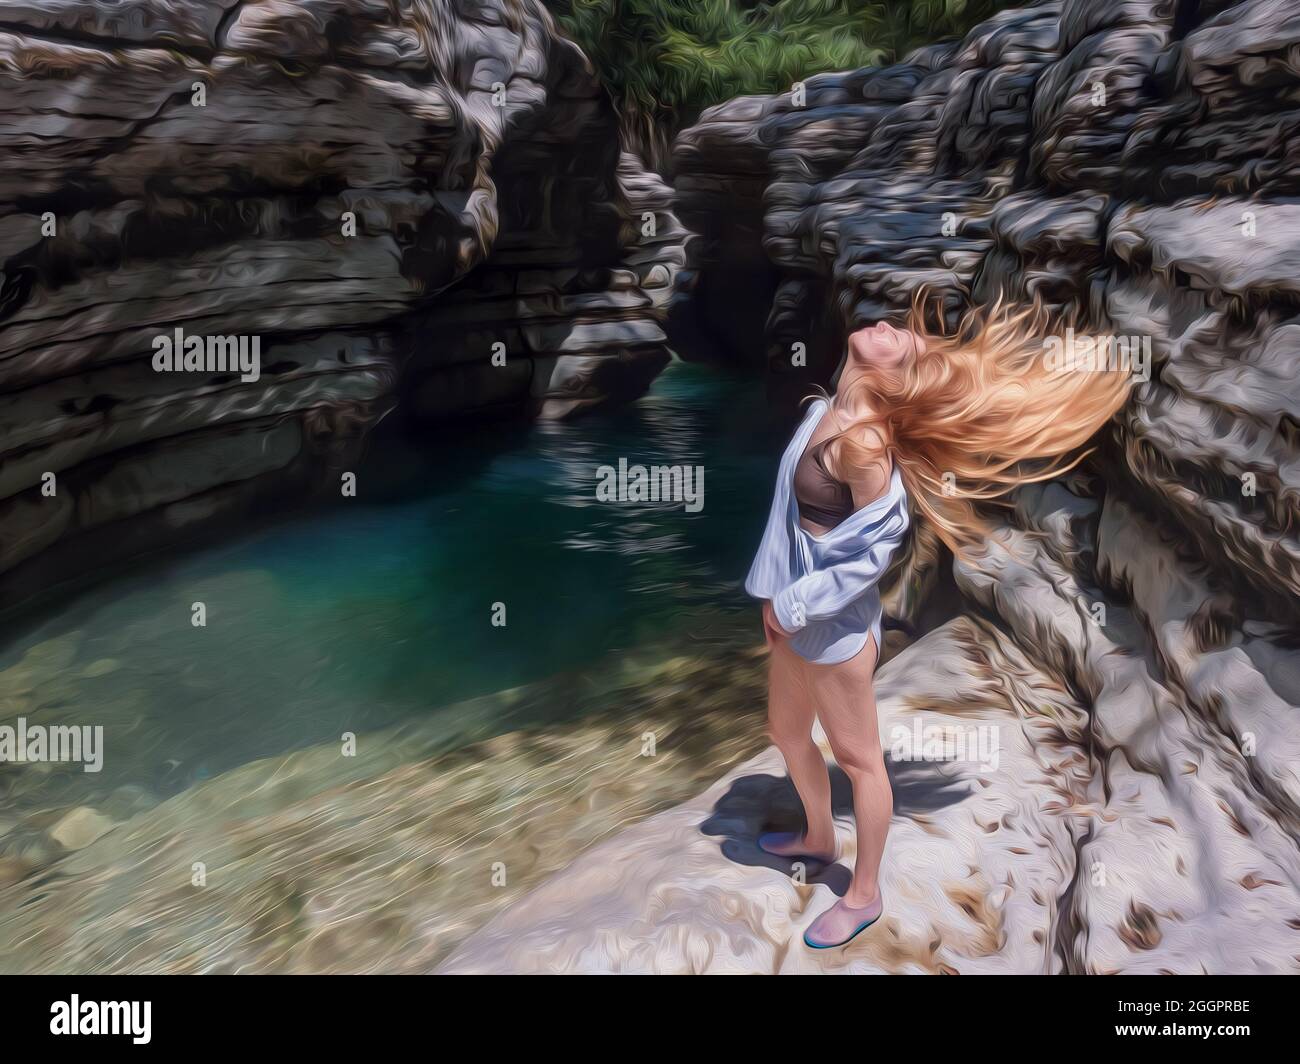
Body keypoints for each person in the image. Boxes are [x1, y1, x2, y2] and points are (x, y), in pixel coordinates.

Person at [745, 295, 1133, 948]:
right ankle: (817, 834)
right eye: (900, 331)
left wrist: (791, 605)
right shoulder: (829, 410)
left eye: (903, 344)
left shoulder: (863, 445)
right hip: (794, 618)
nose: (892, 329)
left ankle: (863, 894)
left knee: (860, 761)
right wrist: (771, 593)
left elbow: (873, 553)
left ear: (895, 381)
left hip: (833, 634)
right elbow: (794, 522)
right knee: (785, 732)